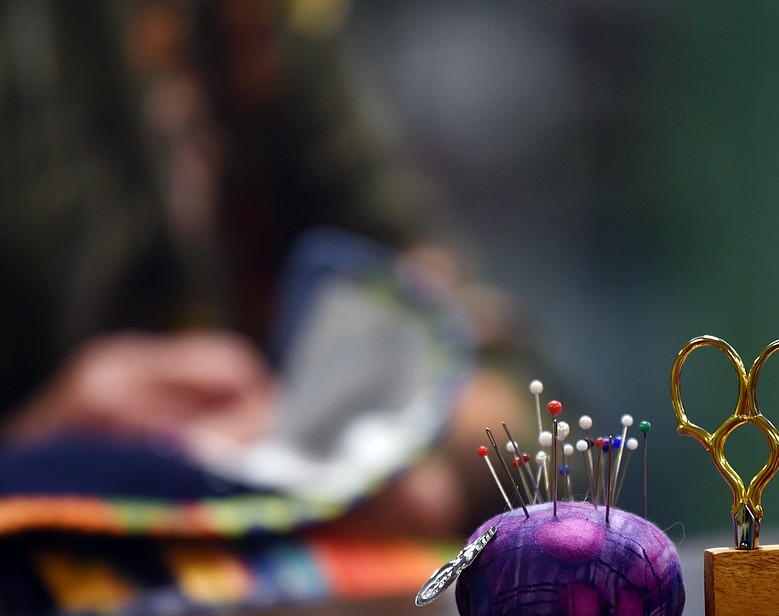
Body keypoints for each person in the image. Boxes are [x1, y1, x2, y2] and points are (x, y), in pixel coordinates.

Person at [0, 1, 526, 541]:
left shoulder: (258, 24)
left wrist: (411, 449)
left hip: (270, 581)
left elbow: (512, 395)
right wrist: (34, 467)